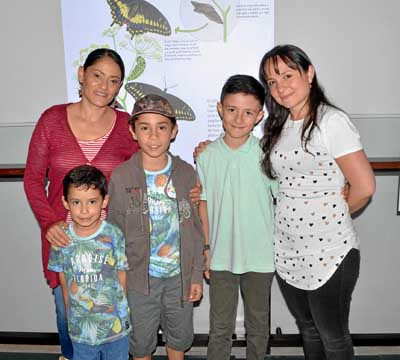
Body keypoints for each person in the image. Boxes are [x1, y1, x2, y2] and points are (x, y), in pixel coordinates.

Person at [259, 44, 376, 359]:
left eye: (287, 74)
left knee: (333, 338)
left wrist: (331, 215)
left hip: (330, 251)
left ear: (309, 73)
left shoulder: (331, 121)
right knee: (307, 330)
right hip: (288, 249)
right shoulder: (278, 126)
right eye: (272, 81)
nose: (281, 85)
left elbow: (364, 186)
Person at [24, 48, 139, 360]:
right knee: (67, 314)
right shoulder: (52, 119)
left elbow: (153, 162)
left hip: (111, 244)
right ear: (81, 75)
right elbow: (33, 178)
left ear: (119, 87)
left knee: (113, 316)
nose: (104, 86)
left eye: (113, 81)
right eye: (97, 76)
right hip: (64, 240)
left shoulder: (128, 125)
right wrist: (49, 223)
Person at [107, 94, 204, 360]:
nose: (153, 136)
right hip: (138, 281)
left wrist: (196, 275)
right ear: (132, 131)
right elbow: (113, 231)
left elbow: (194, 229)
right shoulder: (121, 175)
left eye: (162, 127)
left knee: (179, 340)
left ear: (174, 131)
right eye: (145, 127)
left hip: (179, 279)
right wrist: (117, 280)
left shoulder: (186, 174)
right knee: (140, 344)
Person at [196, 74, 277, 360]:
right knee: (220, 326)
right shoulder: (206, 157)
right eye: (232, 110)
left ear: (259, 116)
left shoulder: (268, 154)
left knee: (259, 325)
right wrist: (205, 248)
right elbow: (202, 205)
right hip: (220, 256)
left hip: (261, 255)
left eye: (248, 112)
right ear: (220, 108)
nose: (239, 119)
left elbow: (284, 197)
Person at [48, 165, 131, 360]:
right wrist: (70, 314)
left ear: (104, 201)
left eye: (92, 201)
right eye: (76, 202)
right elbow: (63, 277)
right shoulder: (61, 239)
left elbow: (122, 274)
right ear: (65, 202)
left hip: (115, 327)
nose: (84, 210)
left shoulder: (113, 234)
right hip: (81, 328)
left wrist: (123, 310)